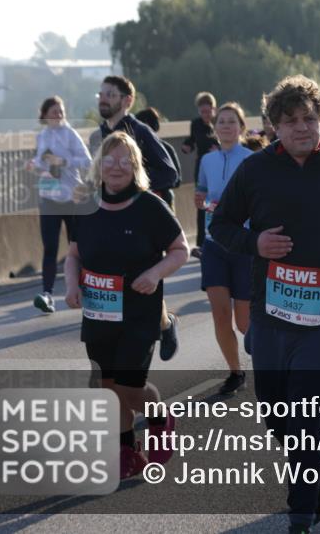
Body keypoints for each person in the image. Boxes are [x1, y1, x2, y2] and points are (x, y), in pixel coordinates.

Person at [210, 75, 320, 533]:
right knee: (277, 416)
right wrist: (254, 242)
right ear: (274, 126)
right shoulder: (255, 170)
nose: (302, 128)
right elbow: (221, 225)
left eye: (309, 118)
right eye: (290, 121)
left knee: (305, 418)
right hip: (270, 316)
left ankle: (301, 516)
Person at [63, 131, 188, 478]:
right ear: (99, 165)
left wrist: (155, 273)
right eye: (109, 159)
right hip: (98, 314)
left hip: (138, 314)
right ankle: (127, 451)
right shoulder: (86, 206)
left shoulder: (150, 206)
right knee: (107, 388)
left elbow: (180, 250)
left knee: (129, 388)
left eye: (124, 161)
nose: (116, 167)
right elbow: (73, 255)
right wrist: (71, 285)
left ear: (134, 167)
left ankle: (160, 418)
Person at [90, 76, 181, 359]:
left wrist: (137, 192)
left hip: (144, 220)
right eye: (101, 94)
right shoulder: (97, 136)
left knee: (142, 282)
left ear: (127, 101)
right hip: (108, 215)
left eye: (111, 94)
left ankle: (165, 324)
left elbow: (170, 173)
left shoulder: (140, 131)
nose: (104, 99)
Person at [196, 103, 256, 396]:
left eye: (232, 122)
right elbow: (201, 193)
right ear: (215, 127)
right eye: (221, 122)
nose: (226, 126)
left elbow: (259, 200)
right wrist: (202, 200)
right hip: (213, 245)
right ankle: (235, 372)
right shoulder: (207, 160)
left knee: (244, 323)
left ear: (241, 127)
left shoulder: (252, 159)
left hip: (243, 246)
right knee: (220, 314)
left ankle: (271, 356)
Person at [27, 96, 92, 314]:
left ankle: (84, 290)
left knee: (77, 248)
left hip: (72, 198)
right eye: (55, 111)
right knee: (50, 248)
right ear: (45, 115)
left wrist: (63, 162)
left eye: (61, 111)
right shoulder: (42, 136)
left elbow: (88, 161)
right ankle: (47, 295)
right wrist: (35, 165)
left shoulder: (70, 134)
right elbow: (41, 163)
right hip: (49, 197)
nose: (59, 115)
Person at [181, 92, 219, 258]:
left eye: (208, 112)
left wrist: (219, 149)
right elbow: (192, 139)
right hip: (202, 167)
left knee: (216, 203)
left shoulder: (220, 123)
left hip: (218, 167)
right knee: (201, 203)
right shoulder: (196, 124)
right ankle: (202, 243)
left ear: (214, 109)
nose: (205, 115)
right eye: (202, 112)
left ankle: (218, 239)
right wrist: (187, 146)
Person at [135, 107, 183, 202]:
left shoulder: (166, 148)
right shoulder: (133, 150)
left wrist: (156, 187)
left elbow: (177, 180)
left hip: (162, 199)